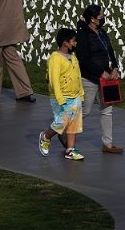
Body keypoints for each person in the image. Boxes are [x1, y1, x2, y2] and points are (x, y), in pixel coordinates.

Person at [75, 4, 123, 154]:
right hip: (90, 78)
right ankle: (65, 131)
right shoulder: (83, 35)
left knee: (107, 110)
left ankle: (108, 144)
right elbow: (83, 59)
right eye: (101, 16)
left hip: (107, 78)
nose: (103, 18)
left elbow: (110, 51)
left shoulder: (101, 32)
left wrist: (114, 67)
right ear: (92, 19)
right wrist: (100, 72)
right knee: (85, 110)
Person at [39, 28, 86, 161]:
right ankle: (46, 137)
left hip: (75, 95)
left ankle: (70, 150)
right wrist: (60, 98)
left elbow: (77, 75)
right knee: (61, 122)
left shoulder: (73, 57)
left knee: (73, 123)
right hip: (61, 97)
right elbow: (54, 80)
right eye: (73, 41)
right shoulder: (55, 58)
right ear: (65, 43)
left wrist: (81, 93)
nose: (75, 43)